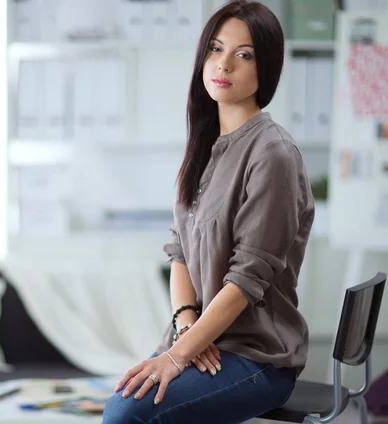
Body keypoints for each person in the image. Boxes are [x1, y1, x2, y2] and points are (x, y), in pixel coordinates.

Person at [102, 1, 315, 423]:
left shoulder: (273, 154)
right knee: (124, 404)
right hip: (201, 339)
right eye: (216, 49)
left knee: (127, 415)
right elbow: (178, 249)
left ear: (265, 68)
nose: (224, 64)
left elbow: (245, 279)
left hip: (256, 356)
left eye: (244, 54)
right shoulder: (204, 144)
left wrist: (179, 357)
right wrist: (186, 329)